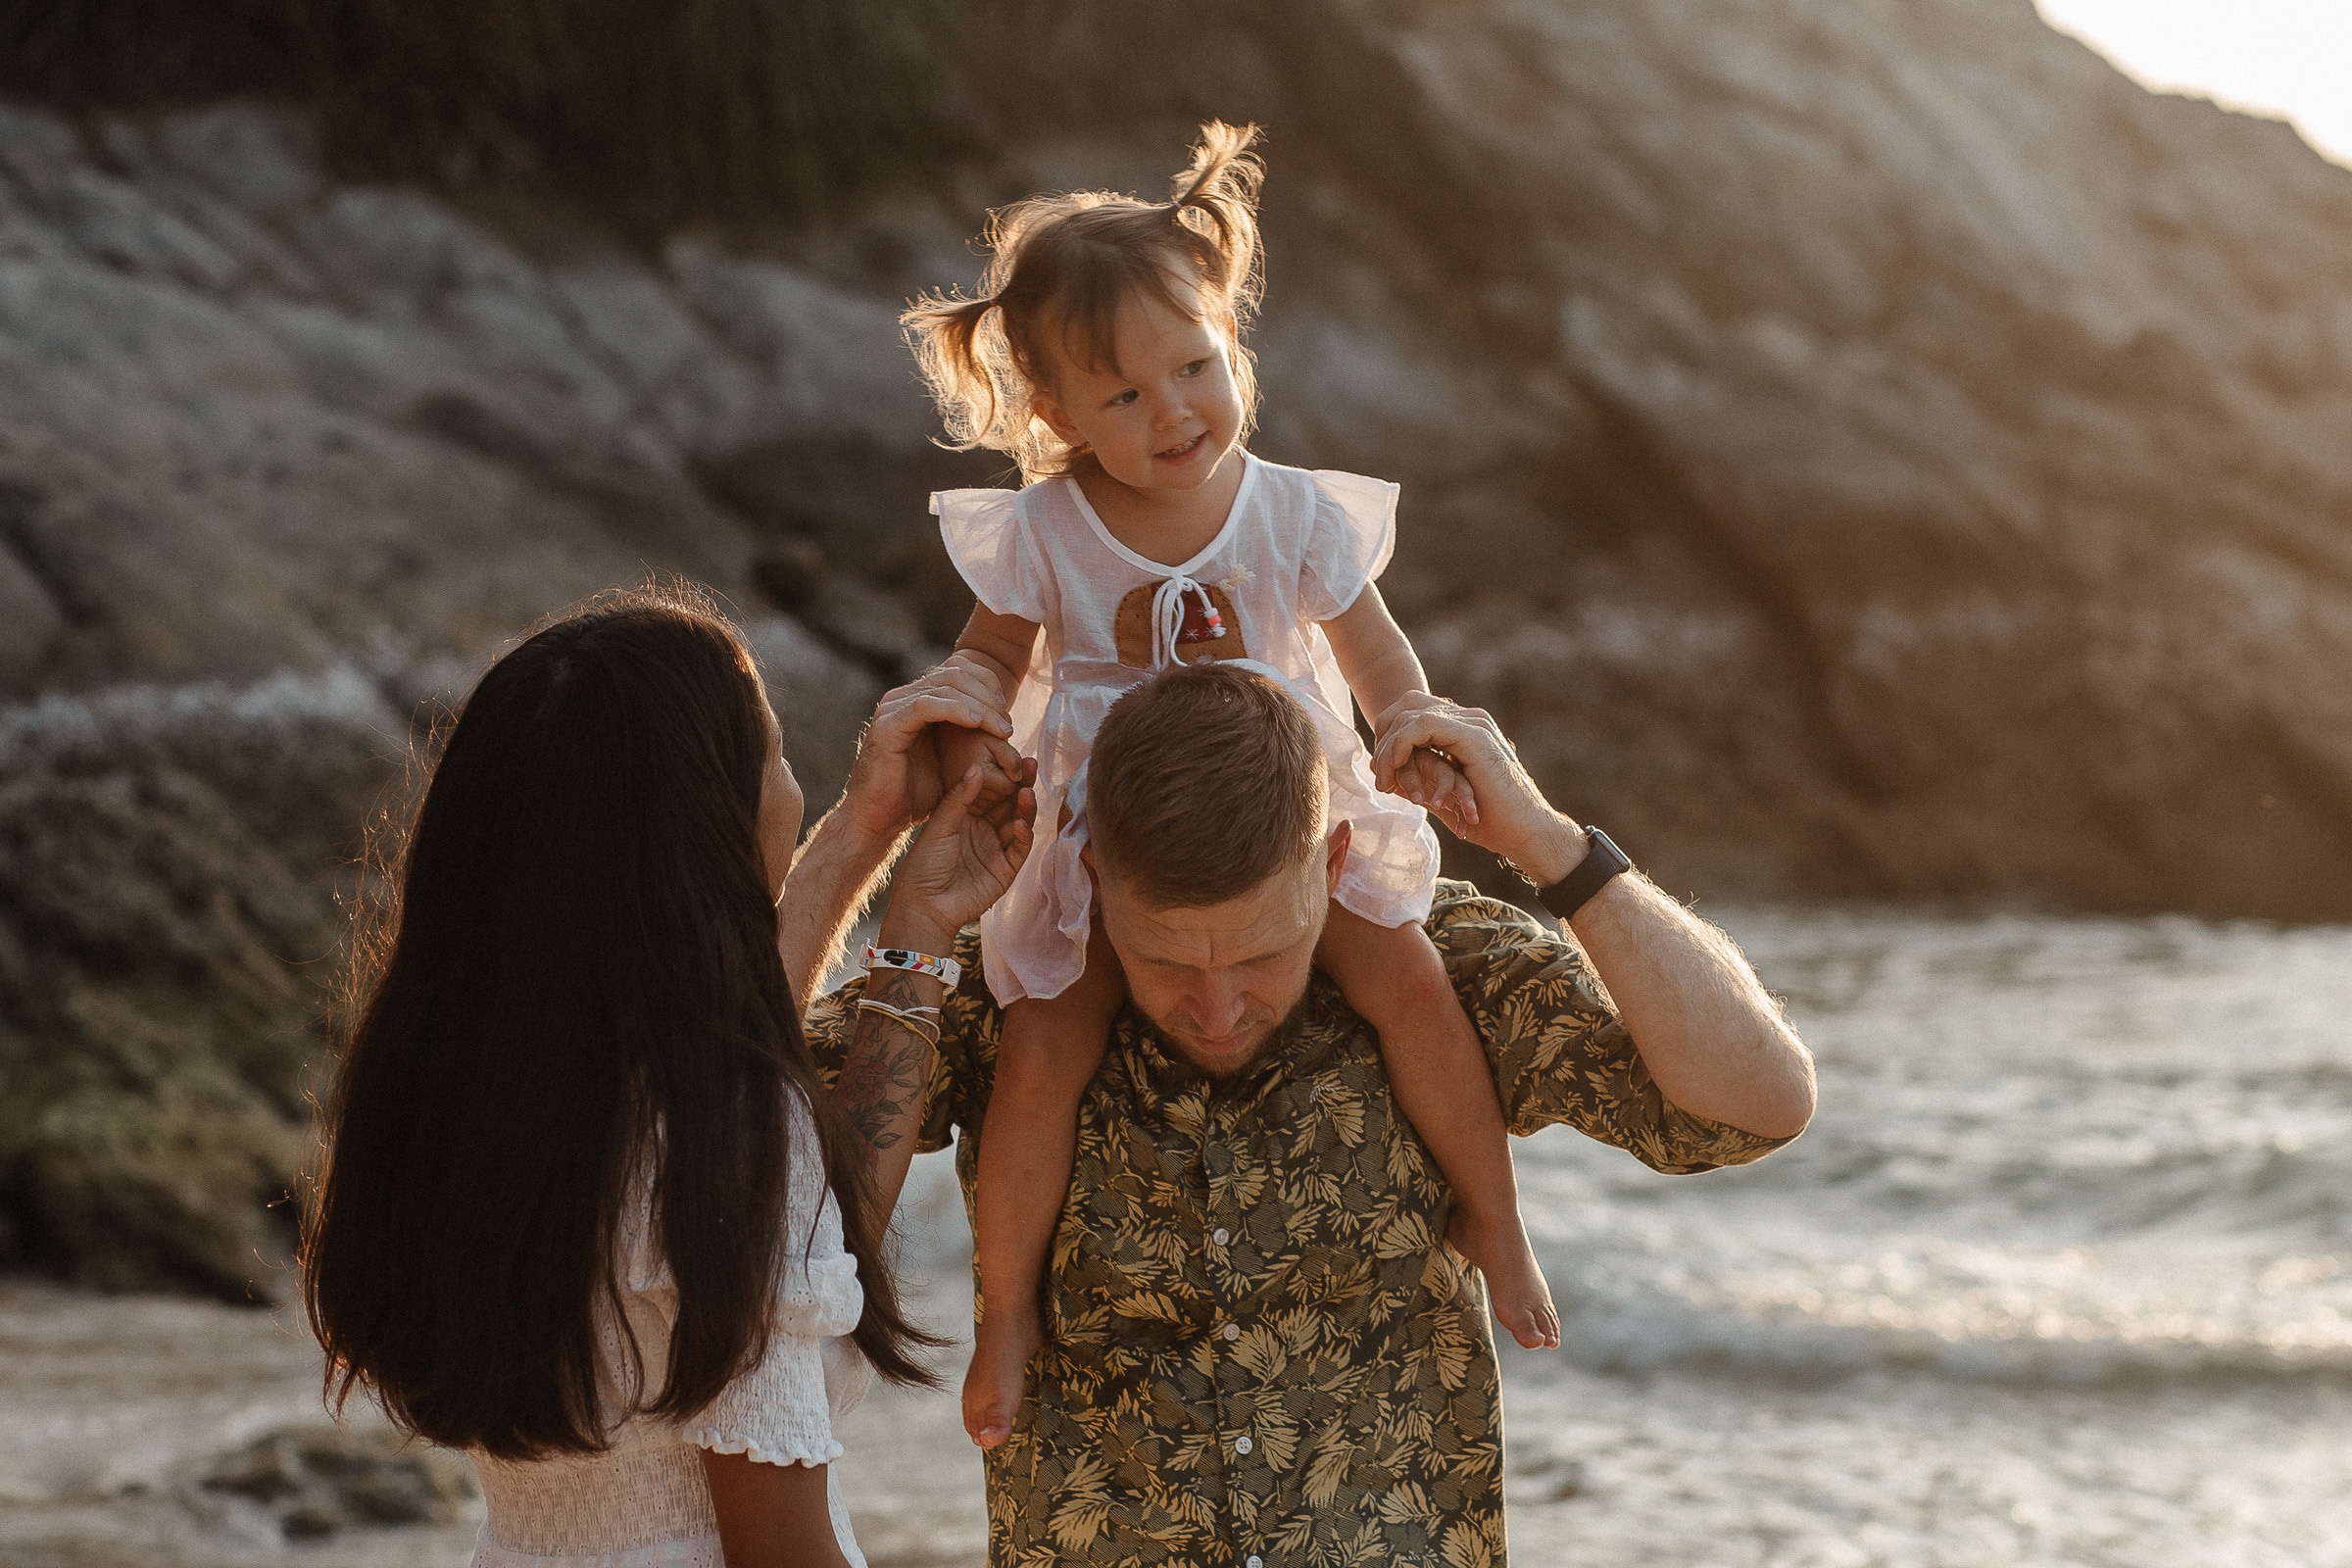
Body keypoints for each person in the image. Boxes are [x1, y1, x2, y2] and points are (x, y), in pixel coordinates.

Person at [808, 662, 1816, 1565]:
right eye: (1167, 961)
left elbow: (1756, 1105)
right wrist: (868, 852)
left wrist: (1552, 847)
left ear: (1331, 865)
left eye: (1260, 955)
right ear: (1094, 877)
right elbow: (723, 1163)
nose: (1216, 1009)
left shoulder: (1440, 971)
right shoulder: (999, 994)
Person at [901, 120, 1560, 1450]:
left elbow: (1378, 659)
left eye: (1196, 367)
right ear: (1052, 415)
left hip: (1283, 811)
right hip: (1108, 841)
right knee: (1042, 1050)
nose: (1175, 413)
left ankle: (1491, 1217)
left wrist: (1411, 728)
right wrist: (969, 737)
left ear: (1233, 351)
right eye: (1125, 397)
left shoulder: (1290, 513)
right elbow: (984, 663)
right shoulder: (1043, 532)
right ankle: (1006, 1311)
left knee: (1409, 982)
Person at [300, 586, 1036, 1568]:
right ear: (705, 827)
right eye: (772, 753)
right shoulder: (724, 1133)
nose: (790, 781)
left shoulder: (466, 1092)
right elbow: (778, 1549)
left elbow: (791, 1213)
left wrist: (885, 865)